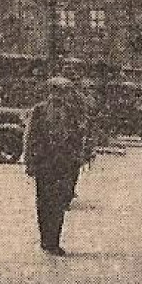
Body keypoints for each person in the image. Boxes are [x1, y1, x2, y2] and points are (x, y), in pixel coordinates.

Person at [25, 76, 89, 255]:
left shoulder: (72, 113)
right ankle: (45, 239)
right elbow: (30, 137)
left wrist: (78, 157)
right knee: (44, 202)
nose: (58, 96)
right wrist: (29, 161)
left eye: (62, 92)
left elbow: (78, 137)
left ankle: (54, 241)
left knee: (59, 202)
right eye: (55, 92)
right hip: (44, 162)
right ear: (50, 93)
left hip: (64, 164)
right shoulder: (39, 111)